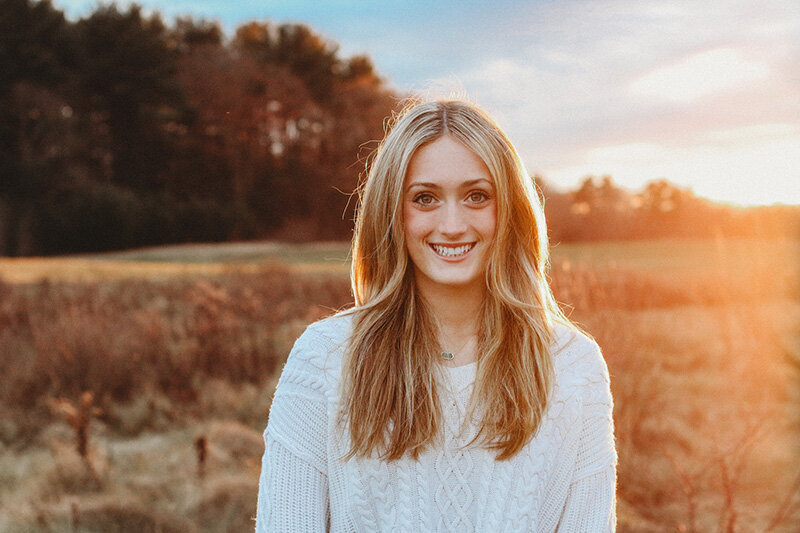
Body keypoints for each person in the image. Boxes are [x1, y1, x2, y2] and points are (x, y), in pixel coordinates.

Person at [256, 99, 617, 532]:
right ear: (391, 212)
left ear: (510, 211)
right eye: (425, 198)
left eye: (476, 196)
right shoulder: (324, 360)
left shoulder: (574, 366)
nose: (452, 224)